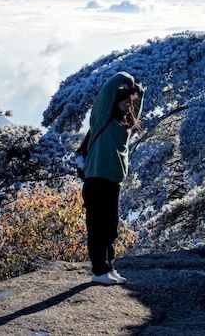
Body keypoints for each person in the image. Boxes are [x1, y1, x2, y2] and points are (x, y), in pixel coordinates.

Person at [82, 71, 144, 285]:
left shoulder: (124, 126)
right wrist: (125, 78)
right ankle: (99, 271)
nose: (128, 106)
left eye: (130, 103)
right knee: (97, 227)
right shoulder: (102, 120)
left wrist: (138, 92)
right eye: (125, 102)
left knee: (110, 227)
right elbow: (106, 93)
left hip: (112, 183)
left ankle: (108, 267)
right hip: (96, 180)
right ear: (115, 102)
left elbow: (135, 108)